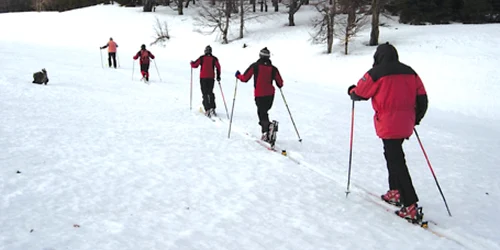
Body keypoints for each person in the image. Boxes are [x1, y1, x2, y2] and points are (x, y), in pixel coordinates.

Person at [347, 42, 428, 222]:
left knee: (396, 159)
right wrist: (415, 119)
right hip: (406, 123)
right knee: (392, 154)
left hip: (388, 123)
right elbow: (422, 98)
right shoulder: (410, 71)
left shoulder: (376, 73)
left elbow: (360, 93)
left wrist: (351, 91)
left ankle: (410, 203)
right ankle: (396, 192)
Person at [235, 47, 284, 142]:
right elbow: (280, 83)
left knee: (261, 113)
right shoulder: (273, 69)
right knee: (264, 112)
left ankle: (267, 129)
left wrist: (238, 75)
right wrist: (278, 84)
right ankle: (268, 130)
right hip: (270, 94)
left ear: (260, 56)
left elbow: (245, 78)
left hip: (259, 94)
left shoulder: (255, 66)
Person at [190, 45, 221, 117]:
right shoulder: (214, 58)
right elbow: (218, 67)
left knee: (205, 93)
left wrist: (191, 63)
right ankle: (212, 108)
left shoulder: (202, 58)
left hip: (203, 78)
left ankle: (207, 109)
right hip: (211, 78)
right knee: (210, 92)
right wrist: (218, 76)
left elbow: (195, 65)